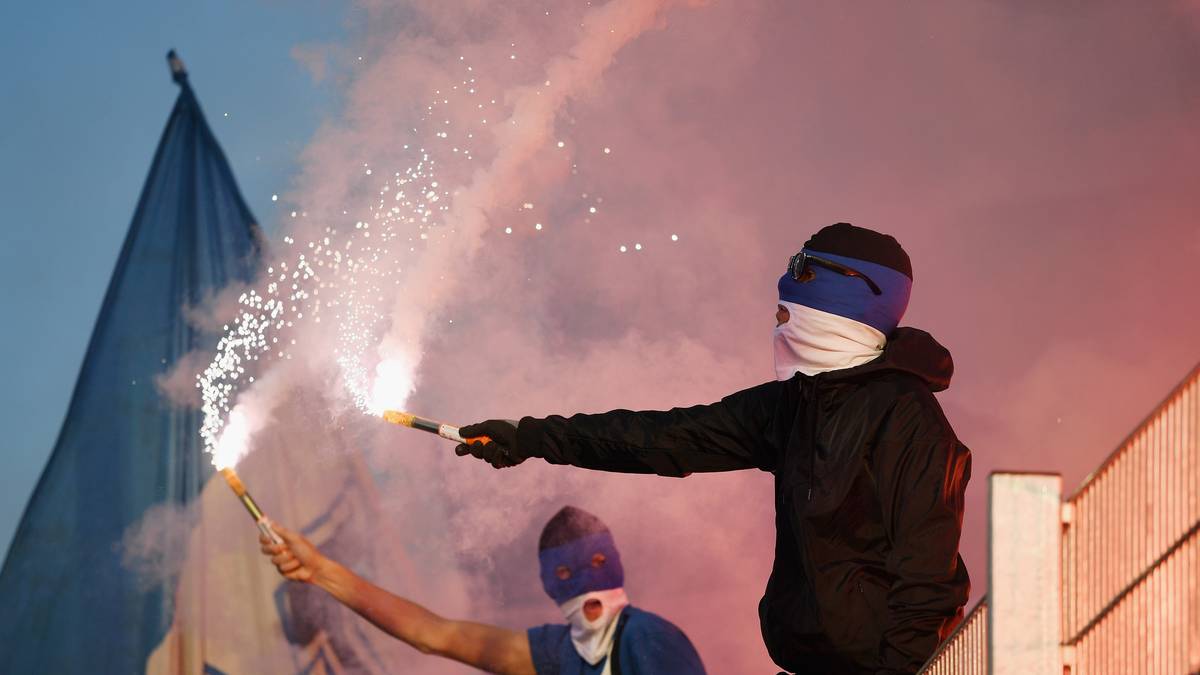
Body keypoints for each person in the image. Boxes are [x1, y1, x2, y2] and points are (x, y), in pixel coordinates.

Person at [455, 223, 972, 675]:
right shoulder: (790, 406)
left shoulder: (907, 418)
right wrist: (527, 437)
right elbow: (661, 438)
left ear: (843, 305)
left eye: (789, 310)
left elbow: (928, 581)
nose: (776, 321)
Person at [260, 505, 706, 675]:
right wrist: (320, 571)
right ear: (549, 581)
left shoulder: (649, 640)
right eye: (567, 573)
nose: (587, 581)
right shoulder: (559, 652)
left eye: (595, 562)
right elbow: (433, 634)